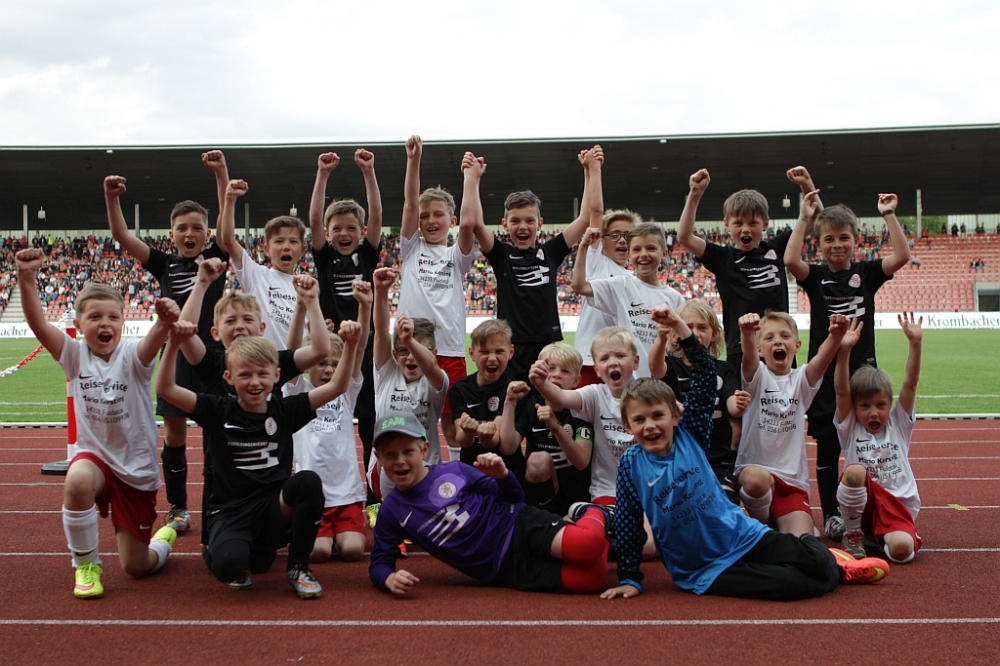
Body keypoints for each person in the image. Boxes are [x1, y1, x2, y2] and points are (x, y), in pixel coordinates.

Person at [602, 305, 889, 601]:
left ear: (675, 415)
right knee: (789, 583)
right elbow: (628, 521)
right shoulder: (631, 465)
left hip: (741, 535)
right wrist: (629, 577)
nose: (650, 425)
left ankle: (832, 563)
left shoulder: (690, 435)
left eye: (657, 416)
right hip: (704, 567)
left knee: (810, 560)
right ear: (627, 425)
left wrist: (677, 322)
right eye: (639, 420)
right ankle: (838, 571)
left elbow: (705, 372)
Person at [156, 320, 362, 598]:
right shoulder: (217, 409)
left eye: (262, 374)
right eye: (245, 375)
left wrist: (351, 345)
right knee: (231, 566)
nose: (254, 382)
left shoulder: (285, 410)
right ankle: (219, 549)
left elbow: (337, 387)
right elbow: (165, 388)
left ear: (276, 376)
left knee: (308, 482)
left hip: (271, 512)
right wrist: (173, 344)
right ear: (229, 377)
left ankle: (298, 569)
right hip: (231, 513)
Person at [16, 248, 178, 598]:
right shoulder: (74, 355)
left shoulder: (133, 355)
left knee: (136, 567)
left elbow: (155, 340)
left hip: (135, 468)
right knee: (76, 480)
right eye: (95, 317)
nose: (105, 323)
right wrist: (26, 277)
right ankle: (86, 565)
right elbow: (38, 324)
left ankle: (162, 541)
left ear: (123, 322)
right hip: (95, 458)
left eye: (112, 317)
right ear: (79, 325)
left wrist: (164, 322)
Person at [103, 150, 229, 534]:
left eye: (197, 228)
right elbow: (122, 236)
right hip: (175, 358)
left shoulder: (217, 257)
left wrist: (221, 174)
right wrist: (112, 198)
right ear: (171, 234)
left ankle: (218, 504)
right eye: (181, 228)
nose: (189, 234)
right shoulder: (164, 264)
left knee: (217, 435)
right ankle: (178, 507)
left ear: (207, 233)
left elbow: (226, 219)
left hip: (212, 357)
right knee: (174, 436)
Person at [367, 411, 611, 595]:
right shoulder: (391, 512)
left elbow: (516, 496)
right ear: (378, 458)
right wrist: (388, 578)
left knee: (588, 546)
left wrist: (503, 476)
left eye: (407, 451)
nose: (400, 460)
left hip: (517, 525)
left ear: (424, 449)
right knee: (595, 578)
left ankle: (593, 512)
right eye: (390, 454)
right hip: (501, 569)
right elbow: (379, 562)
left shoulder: (455, 470)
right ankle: (598, 535)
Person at [175, 259, 331, 544]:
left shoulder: (272, 361)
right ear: (215, 332)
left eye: (247, 319)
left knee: (264, 547)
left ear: (261, 327)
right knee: (219, 555)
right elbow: (185, 334)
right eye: (230, 321)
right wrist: (202, 283)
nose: (239, 326)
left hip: (268, 472)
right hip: (223, 476)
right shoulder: (213, 363)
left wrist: (311, 301)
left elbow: (320, 349)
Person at [784, 188, 910, 540]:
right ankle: (831, 514)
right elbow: (791, 260)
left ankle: (872, 510)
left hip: (862, 376)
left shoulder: (867, 273)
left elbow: (902, 256)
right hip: (825, 376)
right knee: (828, 446)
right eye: (828, 239)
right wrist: (804, 218)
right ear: (818, 244)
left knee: (867, 445)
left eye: (844, 237)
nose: (837, 244)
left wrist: (889, 214)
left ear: (856, 240)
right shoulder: (815, 277)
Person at [473, 146, 602, 381]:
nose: (523, 226)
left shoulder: (550, 252)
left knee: (549, 399)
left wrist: (588, 171)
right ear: (505, 224)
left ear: (540, 223)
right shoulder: (501, 254)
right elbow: (476, 224)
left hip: (547, 344)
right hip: (512, 346)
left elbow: (584, 219)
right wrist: (473, 180)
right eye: (515, 221)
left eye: (529, 220)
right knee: (514, 398)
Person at [677, 167, 816, 368]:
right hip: (740, 349)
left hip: (779, 347)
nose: (746, 229)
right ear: (727, 224)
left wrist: (807, 184)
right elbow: (685, 237)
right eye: (738, 223)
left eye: (753, 223)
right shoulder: (722, 257)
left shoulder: (776, 248)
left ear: (765, 224)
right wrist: (695, 194)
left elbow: (816, 219)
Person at [397, 136, 480, 462]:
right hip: (410, 350)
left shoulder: (456, 257)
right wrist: (413, 160)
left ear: (451, 220)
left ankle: (456, 475)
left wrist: (470, 179)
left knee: (451, 422)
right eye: (425, 216)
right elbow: (408, 203)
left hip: (448, 349)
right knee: (411, 419)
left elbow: (470, 224)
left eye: (438, 214)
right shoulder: (410, 249)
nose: (430, 221)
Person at [308, 149, 383, 503]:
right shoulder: (324, 258)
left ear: (362, 232)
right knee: (321, 422)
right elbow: (313, 219)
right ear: (327, 232)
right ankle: (317, 490)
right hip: (331, 353)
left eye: (351, 228)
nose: (344, 233)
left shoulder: (367, 255)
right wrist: (322, 175)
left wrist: (369, 171)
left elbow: (377, 214)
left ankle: (373, 498)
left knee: (368, 424)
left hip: (363, 352)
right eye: (336, 228)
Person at [735, 311, 849, 537]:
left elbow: (822, 360)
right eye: (769, 338)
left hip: (792, 482)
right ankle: (764, 523)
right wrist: (747, 333)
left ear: (797, 346)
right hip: (755, 475)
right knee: (756, 480)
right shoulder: (756, 376)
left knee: (803, 541)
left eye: (785, 336)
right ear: (760, 350)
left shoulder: (801, 380)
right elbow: (748, 357)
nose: (778, 341)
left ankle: (784, 525)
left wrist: (836, 336)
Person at [283, 281, 372, 563]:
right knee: (318, 553)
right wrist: (302, 307)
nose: (329, 370)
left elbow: (359, 350)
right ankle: (314, 533)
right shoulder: (297, 392)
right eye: (322, 363)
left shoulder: (344, 391)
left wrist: (365, 306)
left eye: (334, 364)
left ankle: (337, 533)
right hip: (314, 497)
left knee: (353, 550)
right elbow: (291, 352)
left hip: (346, 492)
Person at [834, 315, 924, 563]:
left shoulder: (898, 423)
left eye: (881, 405)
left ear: (889, 405)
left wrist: (915, 343)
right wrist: (844, 350)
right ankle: (853, 534)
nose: (874, 413)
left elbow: (910, 384)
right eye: (865, 406)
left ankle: (879, 542)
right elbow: (841, 391)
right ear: (855, 408)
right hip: (864, 505)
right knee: (854, 472)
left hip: (897, 506)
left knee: (902, 551)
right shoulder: (851, 426)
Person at [648, 299, 749, 504]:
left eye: (702, 327)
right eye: (688, 327)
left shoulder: (723, 368)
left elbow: (732, 406)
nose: (694, 333)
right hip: (678, 456)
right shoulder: (671, 364)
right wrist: (661, 339)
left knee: (726, 503)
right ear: (674, 335)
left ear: (714, 334)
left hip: (717, 457)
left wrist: (739, 404)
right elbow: (656, 369)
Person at [369, 266, 449, 502]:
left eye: (418, 350)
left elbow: (431, 368)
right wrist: (380, 291)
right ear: (395, 354)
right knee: (388, 519)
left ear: (433, 353)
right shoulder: (387, 374)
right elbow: (381, 333)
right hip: (387, 471)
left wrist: (409, 340)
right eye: (403, 351)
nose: (410, 357)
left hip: (426, 468)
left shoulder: (435, 382)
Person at [572, 223, 684, 379]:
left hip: (662, 382)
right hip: (629, 383)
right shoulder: (621, 285)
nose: (643, 254)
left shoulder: (675, 298)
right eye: (637, 249)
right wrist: (583, 246)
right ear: (629, 255)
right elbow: (579, 286)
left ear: (664, 253)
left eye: (651, 248)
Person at [498, 343, 594, 515]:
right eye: (550, 369)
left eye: (565, 371)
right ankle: (541, 514)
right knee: (538, 461)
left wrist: (555, 426)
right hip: (539, 489)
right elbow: (508, 447)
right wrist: (510, 402)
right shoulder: (531, 405)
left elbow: (581, 462)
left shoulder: (582, 410)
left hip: (575, 492)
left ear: (577, 380)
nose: (557, 374)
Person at [215, 179, 307, 351]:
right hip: (261, 362)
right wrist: (230, 199)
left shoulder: (306, 289)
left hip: (294, 365)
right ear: (266, 249)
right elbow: (228, 239)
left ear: (302, 250)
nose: (286, 246)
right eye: (279, 241)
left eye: (293, 241)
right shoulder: (257, 275)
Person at [573, 209, 640, 386]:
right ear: (601, 240)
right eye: (614, 235)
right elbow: (595, 211)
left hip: (621, 363)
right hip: (589, 360)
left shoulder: (634, 280)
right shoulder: (597, 263)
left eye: (628, 235)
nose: (622, 240)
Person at [449, 319, 524, 475]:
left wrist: (486, 437)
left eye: (499, 351)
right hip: (471, 470)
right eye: (484, 351)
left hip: (509, 470)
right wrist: (467, 431)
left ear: (511, 352)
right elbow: (462, 440)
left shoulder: (515, 389)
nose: (492, 358)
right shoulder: (460, 389)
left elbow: (501, 443)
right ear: (472, 353)